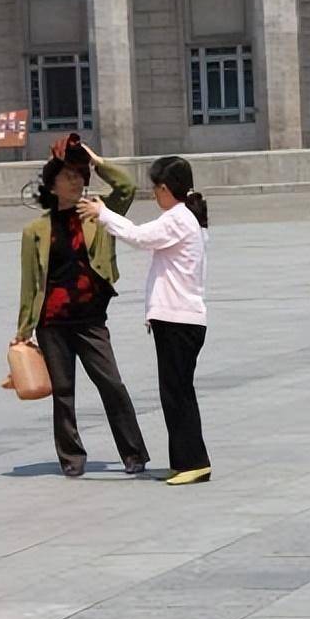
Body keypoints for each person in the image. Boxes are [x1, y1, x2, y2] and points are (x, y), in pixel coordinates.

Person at [12, 134, 150, 478]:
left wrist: (96, 160)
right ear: (53, 184)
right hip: (52, 322)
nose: (75, 181)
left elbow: (126, 187)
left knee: (112, 384)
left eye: (79, 175)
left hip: (89, 318)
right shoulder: (35, 230)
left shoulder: (97, 213)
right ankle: (71, 457)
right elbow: (30, 284)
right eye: (68, 176)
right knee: (63, 392)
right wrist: (22, 332)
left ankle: (133, 453)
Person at [78, 157, 212, 486]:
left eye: (155, 187)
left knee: (176, 393)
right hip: (177, 319)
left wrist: (102, 213)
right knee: (178, 392)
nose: (154, 194)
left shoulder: (178, 218)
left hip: (178, 320)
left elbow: (138, 236)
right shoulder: (183, 217)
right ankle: (188, 461)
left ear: (166, 189)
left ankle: (193, 462)